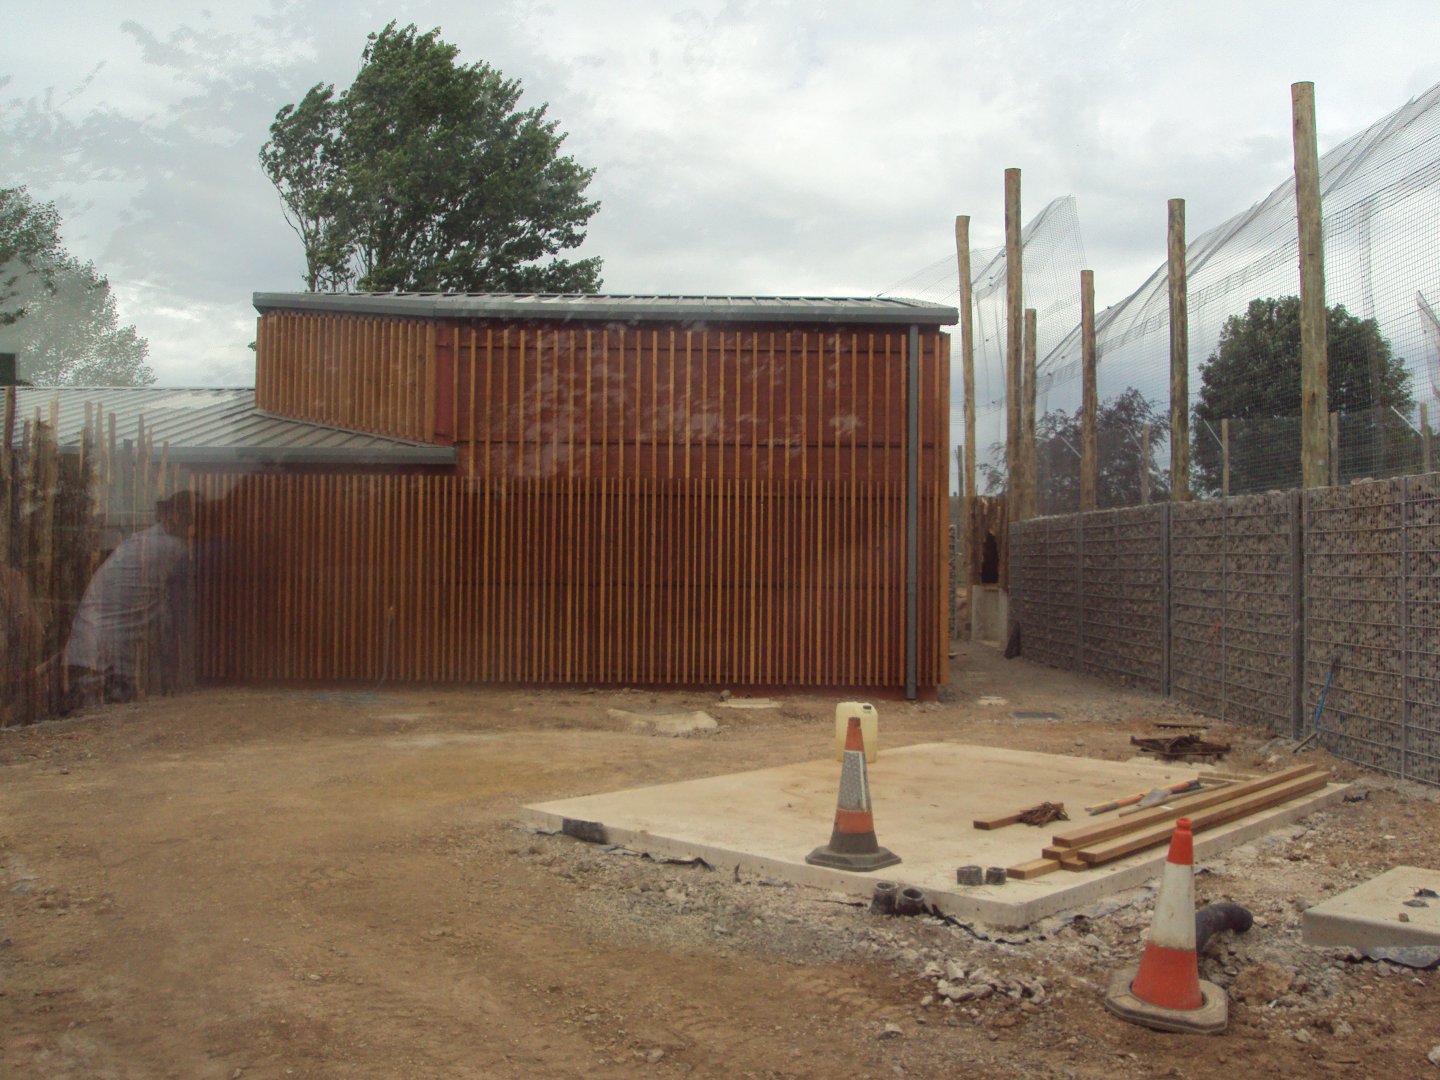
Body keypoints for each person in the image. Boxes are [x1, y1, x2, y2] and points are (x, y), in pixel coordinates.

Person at [66, 490, 200, 706]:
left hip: (93, 642)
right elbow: (173, 612)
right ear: (175, 516)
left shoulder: (144, 541)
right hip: (100, 648)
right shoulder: (169, 547)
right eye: (191, 520)